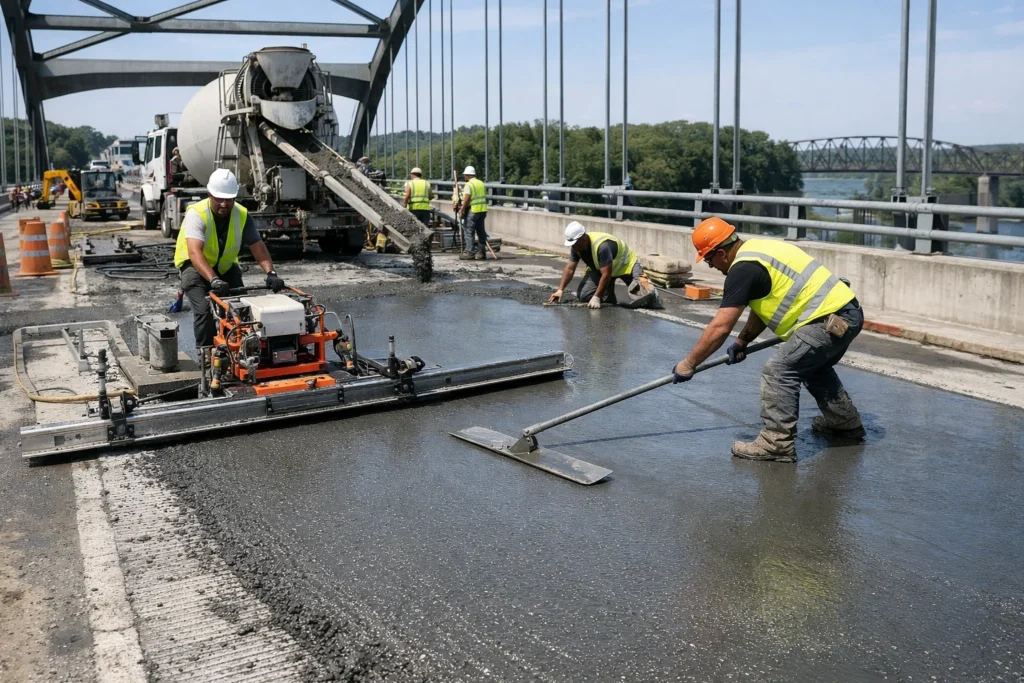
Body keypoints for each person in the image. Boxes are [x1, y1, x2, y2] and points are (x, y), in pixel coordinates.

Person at [671, 217, 864, 462]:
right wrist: (743, 340)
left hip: (826, 321)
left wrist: (689, 364)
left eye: (708, 259)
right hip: (847, 314)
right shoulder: (761, 250)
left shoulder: (743, 269)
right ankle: (845, 422)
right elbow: (765, 304)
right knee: (813, 367)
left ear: (720, 252)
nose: (710, 266)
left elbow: (719, 327)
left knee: (779, 370)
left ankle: (776, 443)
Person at [173, 168, 286, 349]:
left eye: (229, 199)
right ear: (210, 194)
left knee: (239, 308)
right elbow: (194, 252)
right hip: (194, 267)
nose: (224, 204)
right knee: (204, 311)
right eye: (219, 199)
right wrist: (214, 279)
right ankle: (207, 354)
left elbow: (258, 246)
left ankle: (235, 349)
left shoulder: (241, 214)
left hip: (225, 268)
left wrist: (271, 273)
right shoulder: (197, 213)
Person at [548, 221, 659, 309]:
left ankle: (653, 294)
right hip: (602, 269)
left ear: (583, 238)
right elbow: (570, 269)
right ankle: (608, 297)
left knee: (644, 295)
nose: (573, 247)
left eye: (575, 243)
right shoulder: (576, 247)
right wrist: (560, 290)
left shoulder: (602, 246)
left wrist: (596, 297)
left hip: (626, 265)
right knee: (584, 296)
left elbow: (606, 275)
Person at [457, 166, 489, 260]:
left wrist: (462, 209)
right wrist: (462, 191)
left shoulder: (469, 185)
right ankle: (481, 253)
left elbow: (467, 198)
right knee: (481, 232)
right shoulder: (480, 183)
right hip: (482, 210)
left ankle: (470, 253)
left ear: (467, 175)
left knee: (469, 231)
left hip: (473, 210)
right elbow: (478, 194)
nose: (464, 177)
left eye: (465, 176)